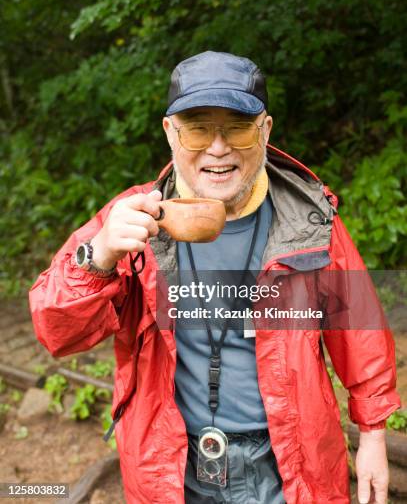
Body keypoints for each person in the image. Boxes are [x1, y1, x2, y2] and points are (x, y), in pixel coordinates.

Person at [29, 51, 401, 504]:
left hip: (286, 464)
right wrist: (100, 254)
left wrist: (374, 438)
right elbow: (56, 330)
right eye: (199, 128)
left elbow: (361, 338)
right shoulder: (129, 221)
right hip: (170, 464)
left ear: (264, 131)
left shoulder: (311, 222)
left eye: (238, 127)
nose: (218, 147)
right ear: (171, 133)